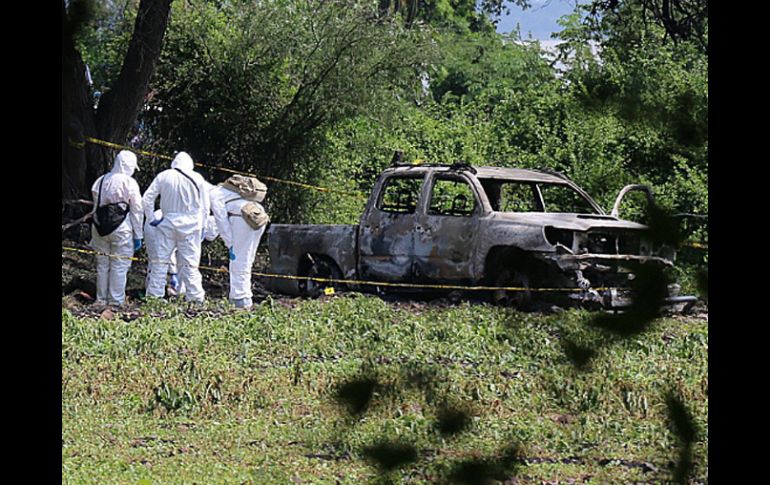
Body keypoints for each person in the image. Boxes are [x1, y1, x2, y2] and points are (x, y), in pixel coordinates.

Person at [142, 152, 211, 302]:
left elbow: (147, 198)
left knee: (160, 263)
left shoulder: (164, 175)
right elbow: (205, 207)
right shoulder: (198, 178)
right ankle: (195, 298)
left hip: (167, 225)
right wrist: (203, 227)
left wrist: (151, 218)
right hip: (191, 227)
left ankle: (154, 297)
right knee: (190, 265)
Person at [89, 150, 143, 306]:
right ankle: (116, 302)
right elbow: (137, 210)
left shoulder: (100, 180)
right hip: (121, 228)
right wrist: (138, 235)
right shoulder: (129, 182)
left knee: (102, 264)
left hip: (99, 228)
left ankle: (100, 300)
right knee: (119, 265)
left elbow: (95, 206)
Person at [211, 176, 269, 309]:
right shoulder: (228, 192)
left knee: (238, 260)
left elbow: (220, 217)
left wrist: (229, 241)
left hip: (242, 218)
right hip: (258, 216)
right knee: (247, 259)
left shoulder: (213, 194)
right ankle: (245, 296)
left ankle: (240, 299)